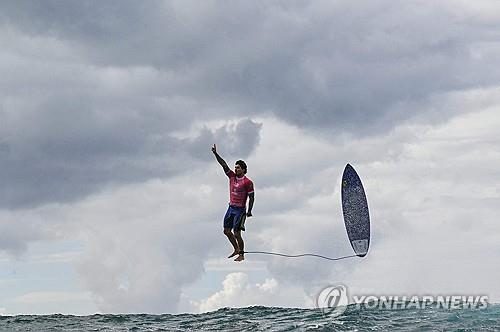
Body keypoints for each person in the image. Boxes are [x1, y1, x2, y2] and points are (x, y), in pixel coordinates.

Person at [211, 144, 254, 262]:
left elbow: (252, 197)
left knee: (237, 233)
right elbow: (224, 165)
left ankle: (241, 254)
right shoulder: (232, 177)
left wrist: (249, 211)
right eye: (235, 168)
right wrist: (215, 154)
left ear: (244, 169)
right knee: (226, 231)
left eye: (238, 168)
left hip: (240, 210)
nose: (236, 169)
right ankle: (236, 249)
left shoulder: (248, 182)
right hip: (231, 208)